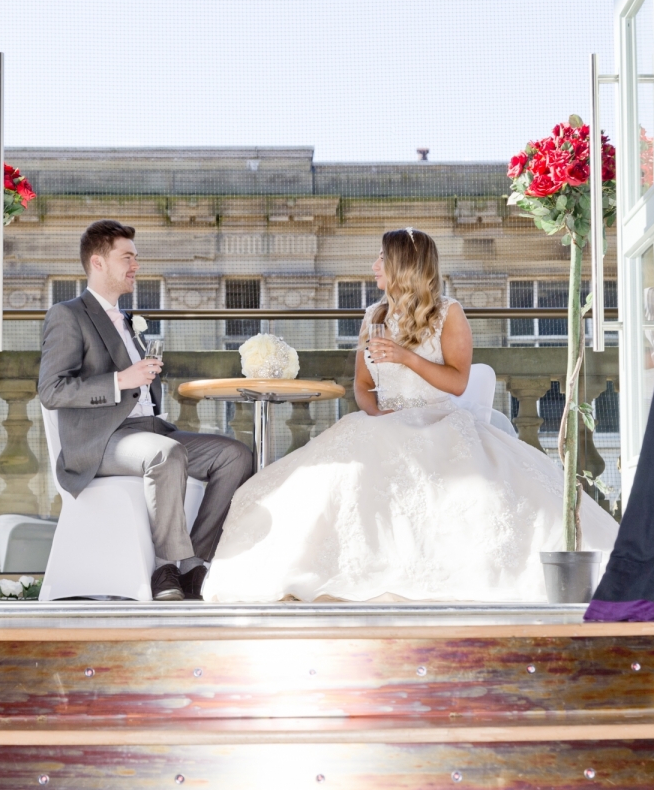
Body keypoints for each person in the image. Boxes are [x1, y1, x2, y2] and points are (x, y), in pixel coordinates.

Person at [201, 227, 619, 603]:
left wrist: (405, 356)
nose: (373, 266)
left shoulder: (449, 314)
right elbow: (362, 384)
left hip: (439, 420)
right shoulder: (374, 315)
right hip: (383, 422)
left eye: (381, 259)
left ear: (402, 266)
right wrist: (374, 412)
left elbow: (457, 382)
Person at [38, 220, 253, 601]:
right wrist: (121, 380)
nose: (135, 265)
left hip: (149, 428)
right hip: (101, 441)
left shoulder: (129, 321)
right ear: (98, 262)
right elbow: (51, 390)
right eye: (127, 258)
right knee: (164, 453)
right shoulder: (67, 315)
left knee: (234, 456)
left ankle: (194, 564)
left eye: (136, 258)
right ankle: (165, 568)